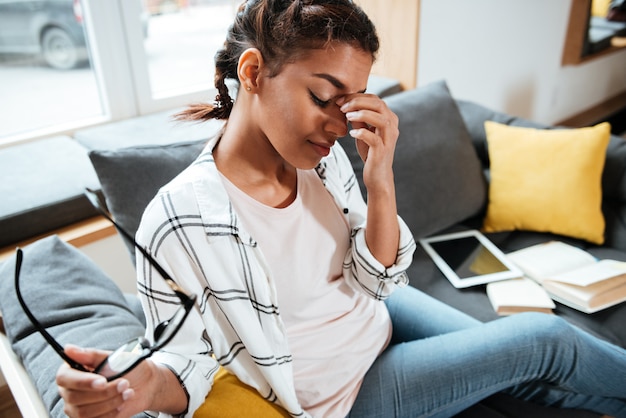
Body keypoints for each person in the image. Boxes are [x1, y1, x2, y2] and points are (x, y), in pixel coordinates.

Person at [56, 1, 626, 417]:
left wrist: (380, 179)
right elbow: (184, 362)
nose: (337, 124)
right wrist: (143, 387)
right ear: (252, 73)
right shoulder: (177, 221)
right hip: (342, 393)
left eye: (349, 103)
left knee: (534, 371)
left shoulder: (320, 161)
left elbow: (377, 279)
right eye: (323, 97)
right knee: (542, 340)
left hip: (376, 314)